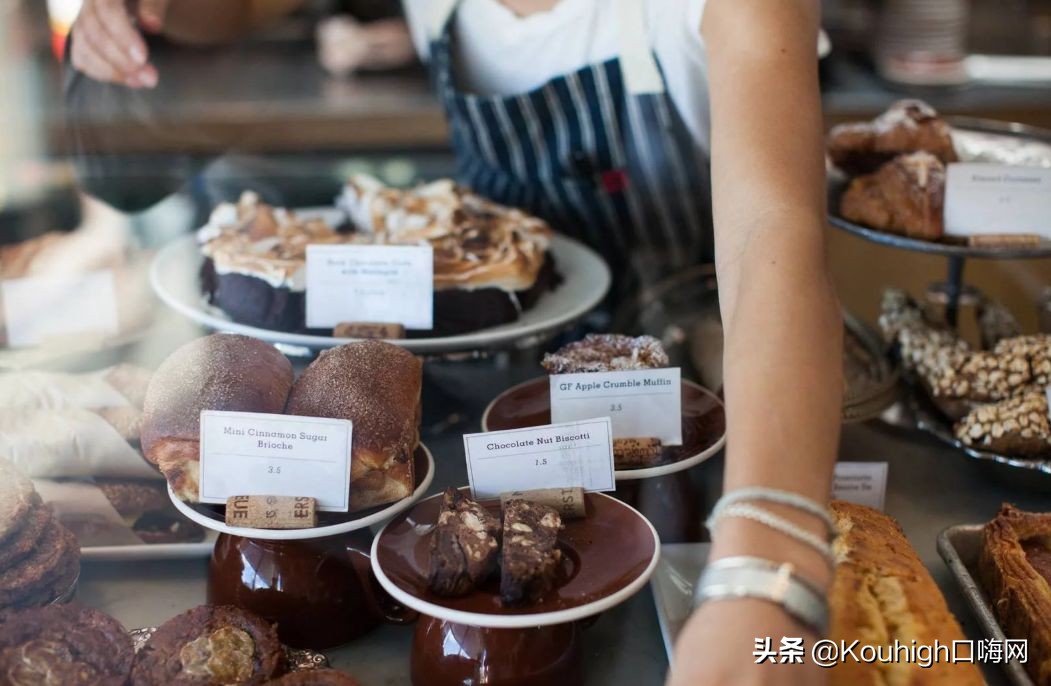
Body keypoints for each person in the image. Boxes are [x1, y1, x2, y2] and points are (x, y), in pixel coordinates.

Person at [68, 1, 843, 683]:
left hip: (695, 444)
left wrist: (764, 565)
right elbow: (228, 12)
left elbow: (771, 239)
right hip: (479, 430)